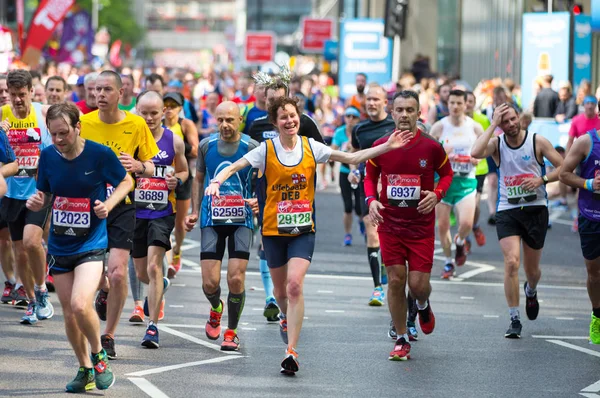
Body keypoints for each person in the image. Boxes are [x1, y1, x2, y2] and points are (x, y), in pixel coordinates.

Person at [205, 96, 411, 374]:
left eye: (293, 116)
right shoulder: (265, 150)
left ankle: (291, 351)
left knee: (294, 286)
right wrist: (217, 180)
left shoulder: (311, 146)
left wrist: (388, 146)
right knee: (280, 293)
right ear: (275, 123)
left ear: (298, 117)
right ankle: (285, 318)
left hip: (303, 229)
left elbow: (350, 157)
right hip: (273, 229)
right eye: (283, 117)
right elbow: (236, 165)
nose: (289, 121)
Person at [28, 102, 131, 392]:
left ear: (78, 127)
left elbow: (126, 181)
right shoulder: (47, 156)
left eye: (64, 133)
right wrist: (37, 202)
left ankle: (99, 355)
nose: (59, 140)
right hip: (61, 243)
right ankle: (85, 369)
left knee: (78, 303)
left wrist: (109, 205)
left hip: (91, 242)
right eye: (54, 134)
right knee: (70, 312)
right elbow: (45, 194)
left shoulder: (99, 154)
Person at [366, 90, 453, 360]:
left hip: (420, 227)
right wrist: (371, 200)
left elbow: (447, 174)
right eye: (400, 110)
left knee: (417, 286)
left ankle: (423, 304)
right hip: (390, 224)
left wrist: (437, 195)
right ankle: (402, 338)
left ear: (418, 113)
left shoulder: (431, 146)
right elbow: (370, 175)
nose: (404, 115)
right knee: (395, 280)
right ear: (392, 113)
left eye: (410, 110)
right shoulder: (381, 145)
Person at [81, 70, 159, 359]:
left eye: (106, 90)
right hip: (88, 204)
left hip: (122, 203)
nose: (99, 95)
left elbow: (150, 166)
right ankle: (102, 289)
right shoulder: (84, 123)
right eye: (96, 90)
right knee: (98, 272)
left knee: (116, 270)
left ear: (120, 94)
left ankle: (109, 335)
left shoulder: (136, 124)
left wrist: (138, 166)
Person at [471, 103, 564, 338]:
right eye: (505, 122)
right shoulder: (497, 144)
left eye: (513, 119)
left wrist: (541, 180)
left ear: (519, 117)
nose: (511, 124)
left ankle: (531, 290)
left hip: (535, 210)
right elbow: (475, 152)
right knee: (511, 263)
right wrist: (492, 124)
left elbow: (563, 168)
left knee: (532, 271)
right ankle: (514, 318)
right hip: (508, 210)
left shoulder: (537, 141)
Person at [184, 101, 258, 351]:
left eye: (230, 120)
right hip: (211, 218)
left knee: (236, 278)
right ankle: (216, 307)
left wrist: (258, 201)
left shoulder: (251, 147)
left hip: (242, 219)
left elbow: (262, 179)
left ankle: (232, 330)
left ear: (239, 121)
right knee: (210, 283)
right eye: (220, 120)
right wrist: (195, 210)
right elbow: (199, 178)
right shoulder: (207, 145)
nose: (225, 125)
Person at [132, 91, 189, 348]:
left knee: (154, 267)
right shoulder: (130, 140)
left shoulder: (174, 141)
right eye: (144, 112)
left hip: (162, 212)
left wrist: (178, 179)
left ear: (163, 113)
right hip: (134, 212)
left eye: (154, 112)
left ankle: (152, 327)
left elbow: (184, 170)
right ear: (137, 111)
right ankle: (160, 284)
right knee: (142, 273)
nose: (149, 117)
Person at [1, 69, 54, 324]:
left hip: (37, 192)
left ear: (32, 92)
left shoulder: (42, 115)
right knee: (19, 249)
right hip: (11, 193)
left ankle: (42, 289)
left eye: (22, 94)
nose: (18, 100)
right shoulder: (3, 116)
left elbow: (54, 151)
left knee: (32, 242)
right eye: (13, 95)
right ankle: (32, 301)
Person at [348, 83, 396, 305]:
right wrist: (353, 172)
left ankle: (386, 264)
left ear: (385, 103)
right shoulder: (360, 129)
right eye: (369, 100)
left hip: (394, 187)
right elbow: (355, 154)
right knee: (372, 232)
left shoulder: (395, 125)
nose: (372, 103)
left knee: (390, 236)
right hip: (368, 186)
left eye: (376, 99)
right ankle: (377, 288)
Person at [430, 89, 483, 278]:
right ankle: (447, 262)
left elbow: (484, 150)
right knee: (443, 226)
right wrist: (443, 155)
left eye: (459, 103)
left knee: (466, 224)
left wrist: (476, 159)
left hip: (466, 181)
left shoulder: (475, 128)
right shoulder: (439, 127)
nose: (455, 106)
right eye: (451, 103)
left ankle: (460, 243)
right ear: (447, 103)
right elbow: (428, 153)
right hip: (443, 182)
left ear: (466, 104)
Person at [559, 121, 600, 344]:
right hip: (591, 216)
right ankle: (597, 313)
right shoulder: (586, 142)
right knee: (594, 274)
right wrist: (589, 183)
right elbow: (564, 173)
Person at [162, 92, 199, 279]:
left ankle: (176, 250)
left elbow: (195, 149)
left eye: (173, 105)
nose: (169, 109)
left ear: (180, 108)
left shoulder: (185, 125)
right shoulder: (157, 124)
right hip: (161, 178)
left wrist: (176, 144)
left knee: (180, 222)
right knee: (164, 219)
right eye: (166, 105)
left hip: (182, 177)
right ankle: (168, 261)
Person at [331, 106, 362, 246]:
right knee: (348, 206)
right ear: (344, 118)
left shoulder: (361, 132)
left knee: (361, 207)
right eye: (348, 116)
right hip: (344, 173)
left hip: (359, 173)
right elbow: (332, 151)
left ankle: (362, 221)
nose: (350, 119)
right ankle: (348, 234)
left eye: (354, 116)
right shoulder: (339, 132)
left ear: (358, 119)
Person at [466, 91, 490, 246]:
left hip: (479, 168)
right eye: (465, 101)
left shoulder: (482, 120)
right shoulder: (454, 122)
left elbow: (490, 142)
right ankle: (465, 236)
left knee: (474, 205)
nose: (468, 104)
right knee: (463, 206)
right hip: (460, 170)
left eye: (471, 101)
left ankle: (474, 226)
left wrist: (479, 156)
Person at [0, 119, 20, 304]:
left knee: (10, 239)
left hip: (14, 194)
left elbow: (13, 165)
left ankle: (18, 283)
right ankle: (11, 281)